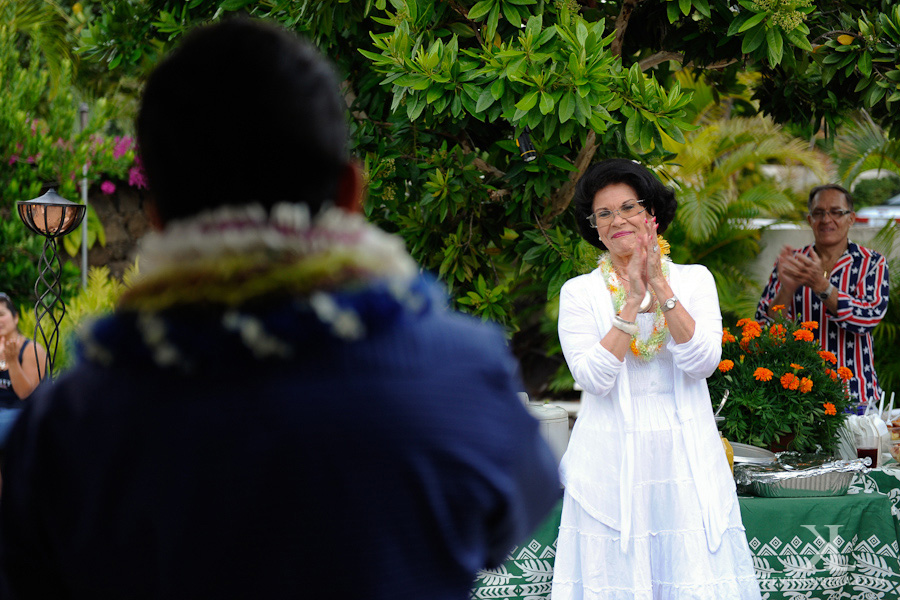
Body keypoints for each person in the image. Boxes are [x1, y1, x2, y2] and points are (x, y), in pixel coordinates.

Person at [0, 19, 559, 600]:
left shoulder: (70, 425)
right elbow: (513, 521)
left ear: (157, 215)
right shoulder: (460, 375)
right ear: (349, 194)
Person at [552, 159, 760, 599]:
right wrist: (628, 305)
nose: (617, 221)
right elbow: (593, 378)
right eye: (604, 214)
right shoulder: (579, 292)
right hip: (610, 468)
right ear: (595, 227)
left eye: (628, 207)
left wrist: (660, 288)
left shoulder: (694, 280)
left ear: (652, 215)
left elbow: (703, 361)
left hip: (684, 467)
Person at [755, 184, 890, 405]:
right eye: (819, 213)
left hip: (855, 396)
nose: (827, 219)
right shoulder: (793, 263)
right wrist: (787, 290)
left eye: (836, 212)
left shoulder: (872, 263)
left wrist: (821, 286)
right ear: (810, 220)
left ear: (851, 218)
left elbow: (868, 318)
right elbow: (764, 328)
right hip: (800, 399)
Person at [0, 293, 46, 447]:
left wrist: (12, 361)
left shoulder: (31, 349)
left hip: (20, 414)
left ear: (15, 318)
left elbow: (25, 394)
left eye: (1, 314)